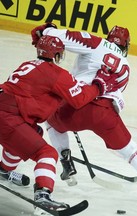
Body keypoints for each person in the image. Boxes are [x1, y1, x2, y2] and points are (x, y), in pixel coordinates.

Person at [31, 24, 137, 198]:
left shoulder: (96, 43)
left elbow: (59, 37)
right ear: (126, 45)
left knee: (51, 118)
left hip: (73, 106)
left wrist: (46, 29)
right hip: (105, 114)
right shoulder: (126, 66)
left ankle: (65, 159)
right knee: (130, 149)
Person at [0, 35, 118, 211]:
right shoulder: (56, 74)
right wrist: (99, 86)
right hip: (7, 118)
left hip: (6, 109)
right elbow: (79, 99)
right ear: (57, 54)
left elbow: (33, 92)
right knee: (47, 153)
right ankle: (43, 196)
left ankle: (3, 170)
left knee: (33, 133)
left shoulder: (27, 64)